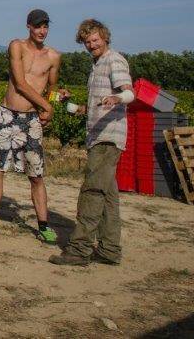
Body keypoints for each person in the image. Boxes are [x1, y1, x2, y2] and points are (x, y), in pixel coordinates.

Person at [50, 19, 132, 267]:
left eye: (95, 40)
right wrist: (68, 104)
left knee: (92, 192)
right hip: (98, 136)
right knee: (108, 196)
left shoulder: (114, 60)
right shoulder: (97, 65)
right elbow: (92, 109)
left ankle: (80, 248)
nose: (91, 44)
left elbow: (129, 92)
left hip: (108, 138)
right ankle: (109, 249)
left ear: (104, 37)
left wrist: (117, 98)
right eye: (87, 41)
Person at [0, 9, 62, 244]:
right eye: (37, 26)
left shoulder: (54, 56)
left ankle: (43, 225)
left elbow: (53, 87)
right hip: (7, 115)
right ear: (29, 27)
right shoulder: (17, 46)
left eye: (45, 26)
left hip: (32, 119)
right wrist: (47, 106)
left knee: (36, 174)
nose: (42, 31)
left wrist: (49, 107)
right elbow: (20, 83)